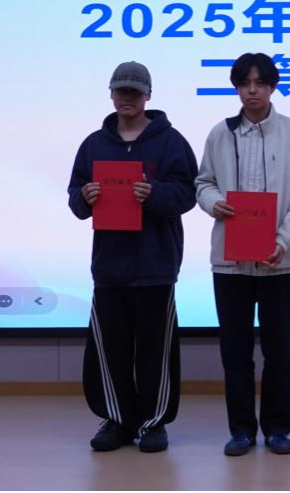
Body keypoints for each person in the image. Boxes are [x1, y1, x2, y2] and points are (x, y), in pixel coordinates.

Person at [67, 61, 198, 453]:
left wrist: (154, 194)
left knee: (156, 349)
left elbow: (187, 194)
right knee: (111, 348)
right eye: (121, 90)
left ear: (148, 95)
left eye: (135, 91)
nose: (127, 97)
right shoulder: (94, 144)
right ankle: (117, 419)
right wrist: (84, 198)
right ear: (110, 94)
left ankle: (153, 422)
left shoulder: (171, 141)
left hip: (156, 264)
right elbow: (75, 198)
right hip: (110, 265)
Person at [195, 53, 290, 457]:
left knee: (279, 350)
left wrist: (281, 241)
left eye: (260, 83)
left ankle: (278, 428)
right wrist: (213, 202)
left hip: (280, 261)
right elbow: (203, 182)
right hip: (230, 263)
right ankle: (241, 430)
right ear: (236, 88)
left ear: (272, 87)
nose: (252, 91)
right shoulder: (220, 133)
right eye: (244, 83)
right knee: (235, 351)